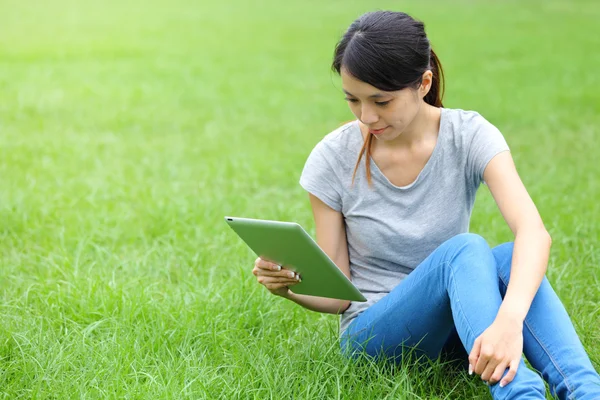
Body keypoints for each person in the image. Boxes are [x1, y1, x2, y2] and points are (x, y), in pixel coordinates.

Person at [251, 10, 600, 400]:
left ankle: (586, 391)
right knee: (466, 249)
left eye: (381, 101)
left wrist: (509, 319)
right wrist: (289, 289)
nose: (367, 116)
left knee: (504, 258)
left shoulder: (468, 135)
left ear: (423, 83)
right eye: (353, 100)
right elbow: (338, 296)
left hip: (458, 327)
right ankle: (520, 394)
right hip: (373, 338)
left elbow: (533, 232)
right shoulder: (332, 158)